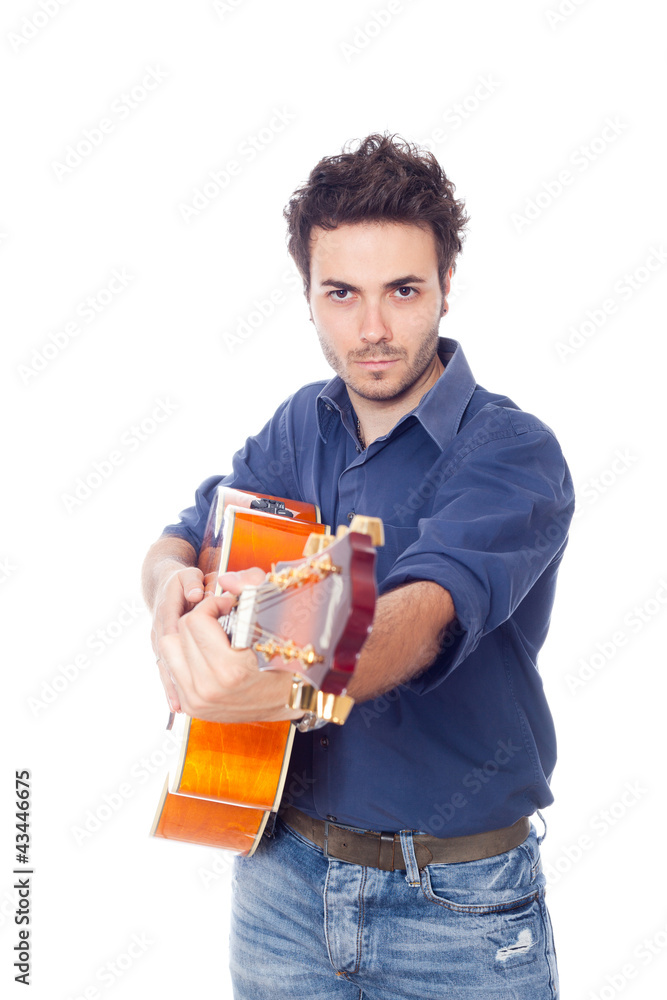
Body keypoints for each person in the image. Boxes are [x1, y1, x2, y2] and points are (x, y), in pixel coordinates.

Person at [142, 133, 574, 999]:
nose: (371, 330)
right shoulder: (300, 423)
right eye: (340, 294)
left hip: (455, 903)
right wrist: (169, 607)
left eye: (401, 291)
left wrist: (298, 681)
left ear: (446, 286)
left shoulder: (512, 453)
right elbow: (185, 538)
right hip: (277, 875)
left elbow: (418, 614)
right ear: (307, 296)